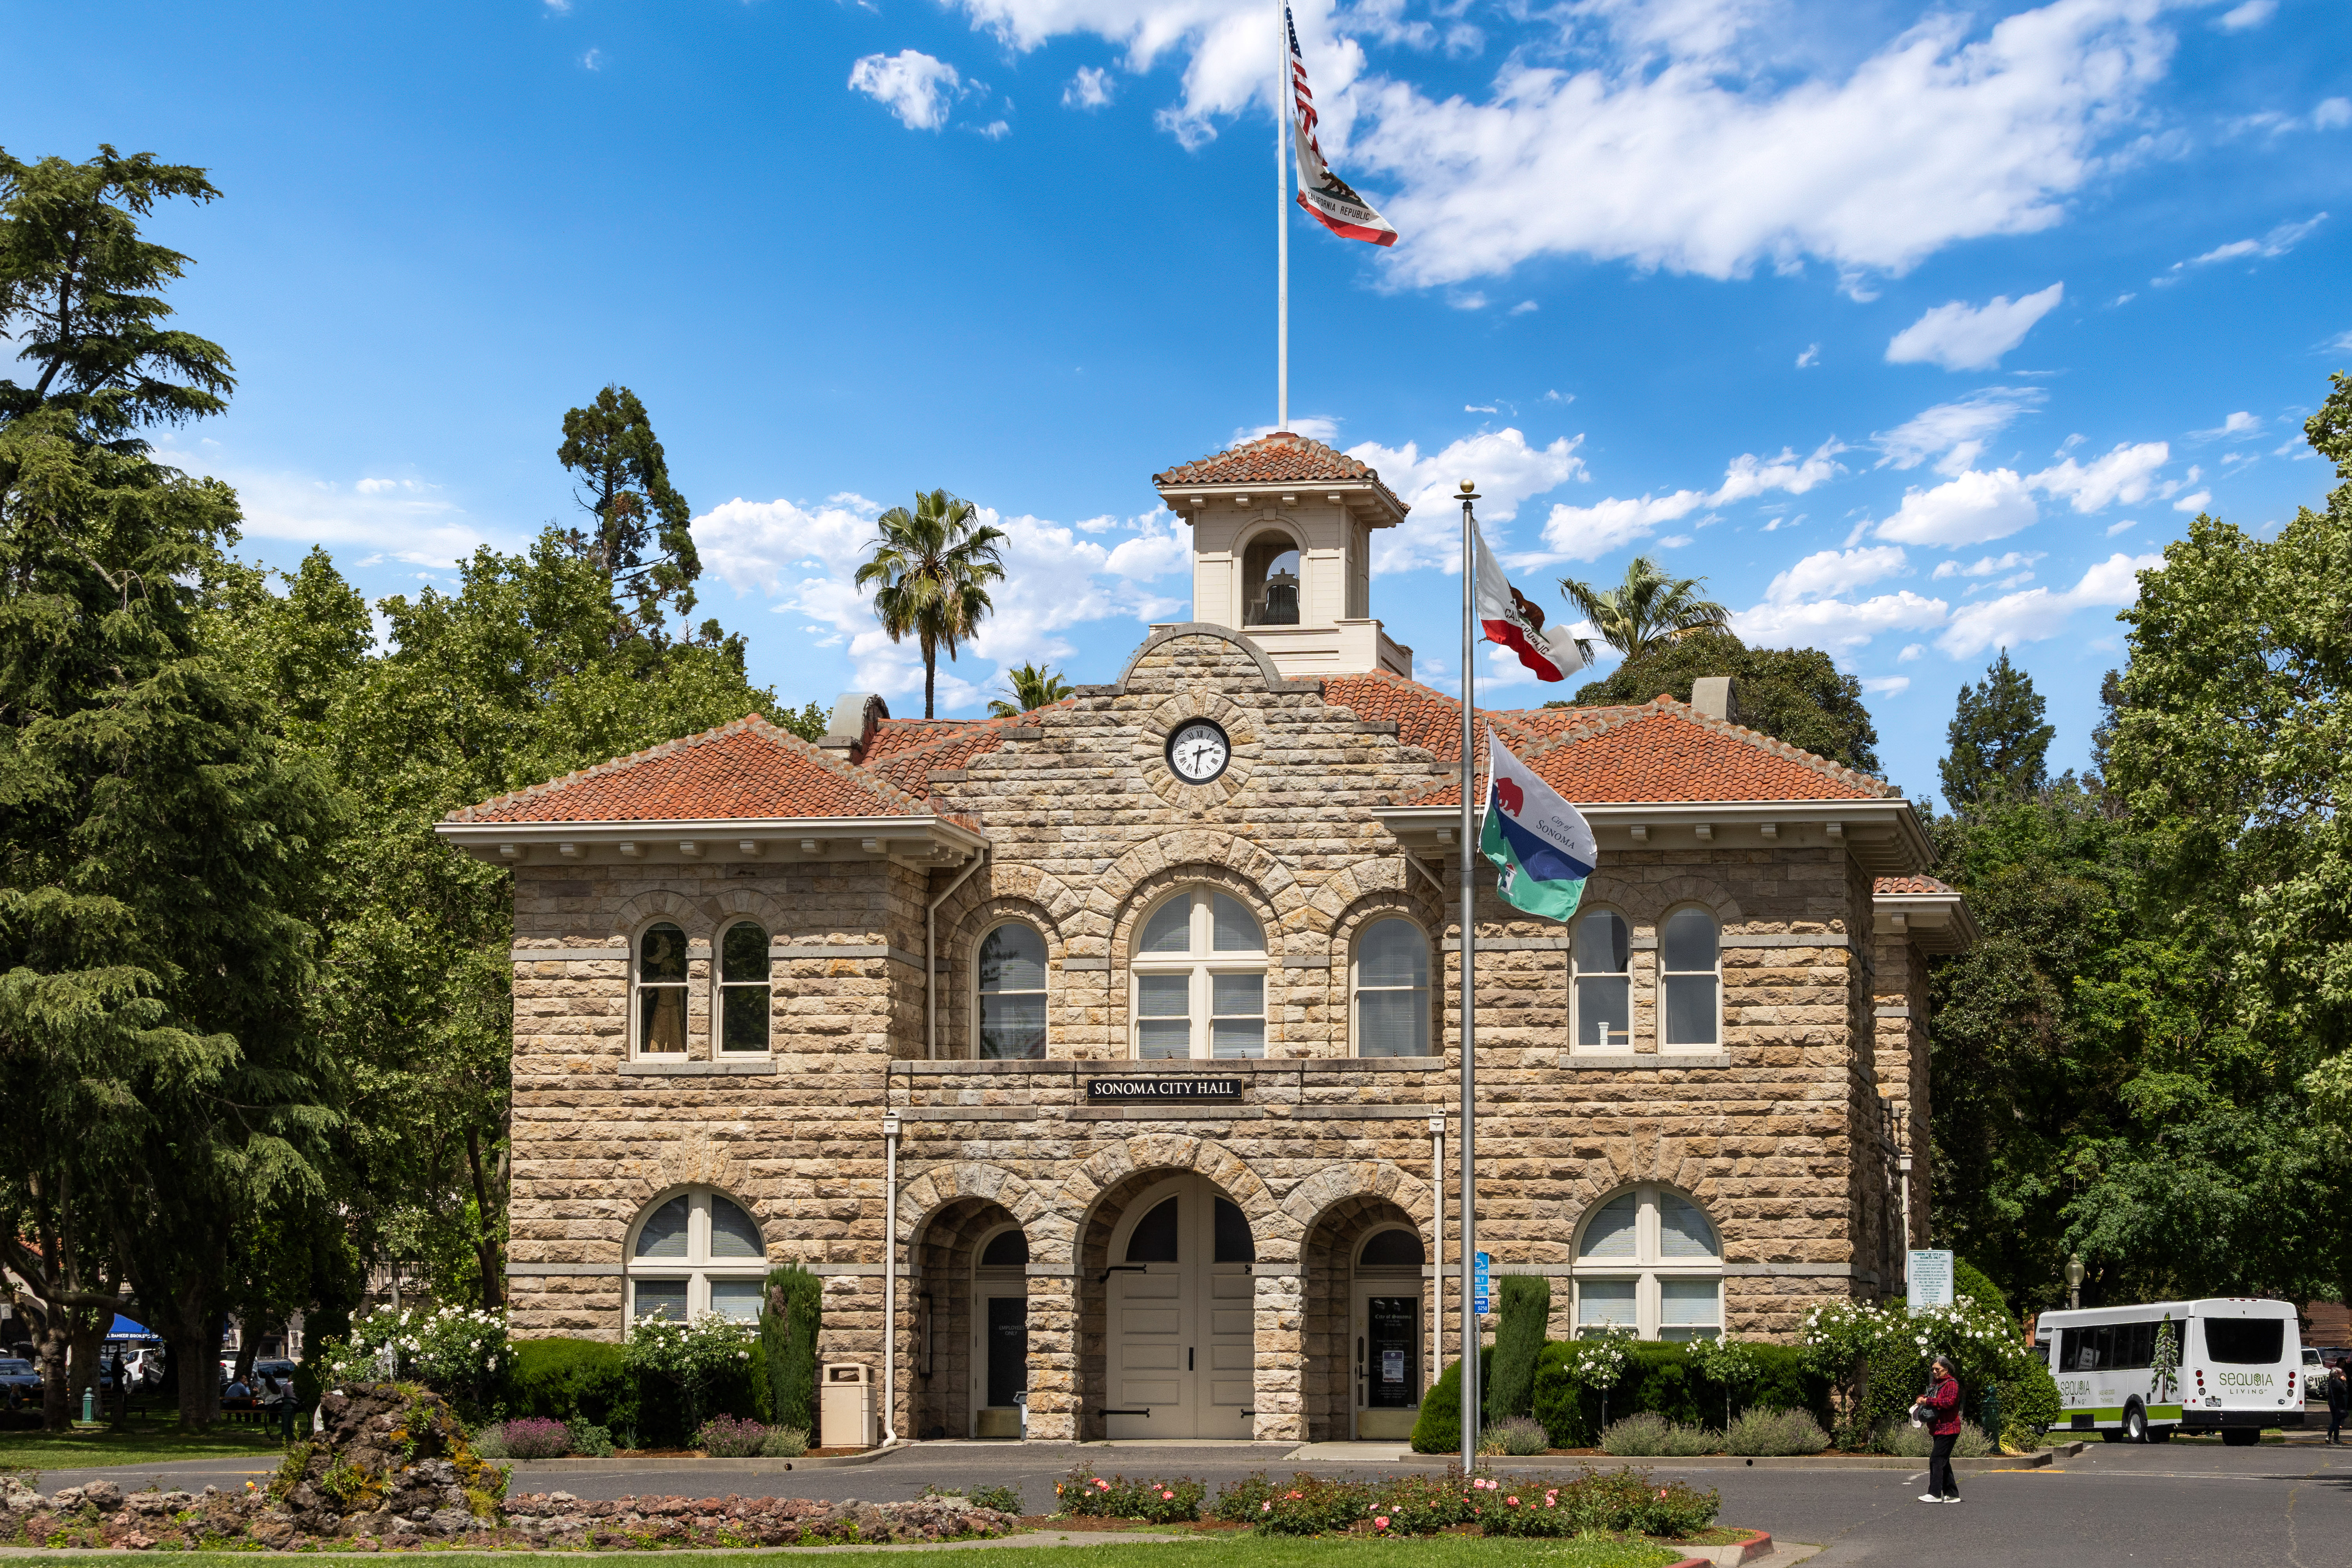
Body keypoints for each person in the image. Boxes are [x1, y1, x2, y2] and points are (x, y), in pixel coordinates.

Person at [1911, 1354, 1964, 1503]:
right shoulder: (1935, 1384)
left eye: (1938, 1369)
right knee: (1944, 1462)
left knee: (1936, 1459)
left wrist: (1929, 1401)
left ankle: (1934, 1493)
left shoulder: (1951, 1383)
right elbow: (1929, 1396)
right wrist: (1921, 1398)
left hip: (1949, 1428)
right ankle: (1952, 1494)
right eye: (1933, 1369)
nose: (1934, 1372)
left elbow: (1949, 1402)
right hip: (1938, 1428)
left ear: (1946, 1369)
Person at [2327, 1361, 2348, 1446]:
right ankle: (2336, 1438)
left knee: (2334, 1420)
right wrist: (2345, 1382)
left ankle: (2329, 1436)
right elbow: (2344, 1391)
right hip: (2338, 1404)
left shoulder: (2331, 1382)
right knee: (2337, 1421)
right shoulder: (2338, 1383)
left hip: (2332, 1403)